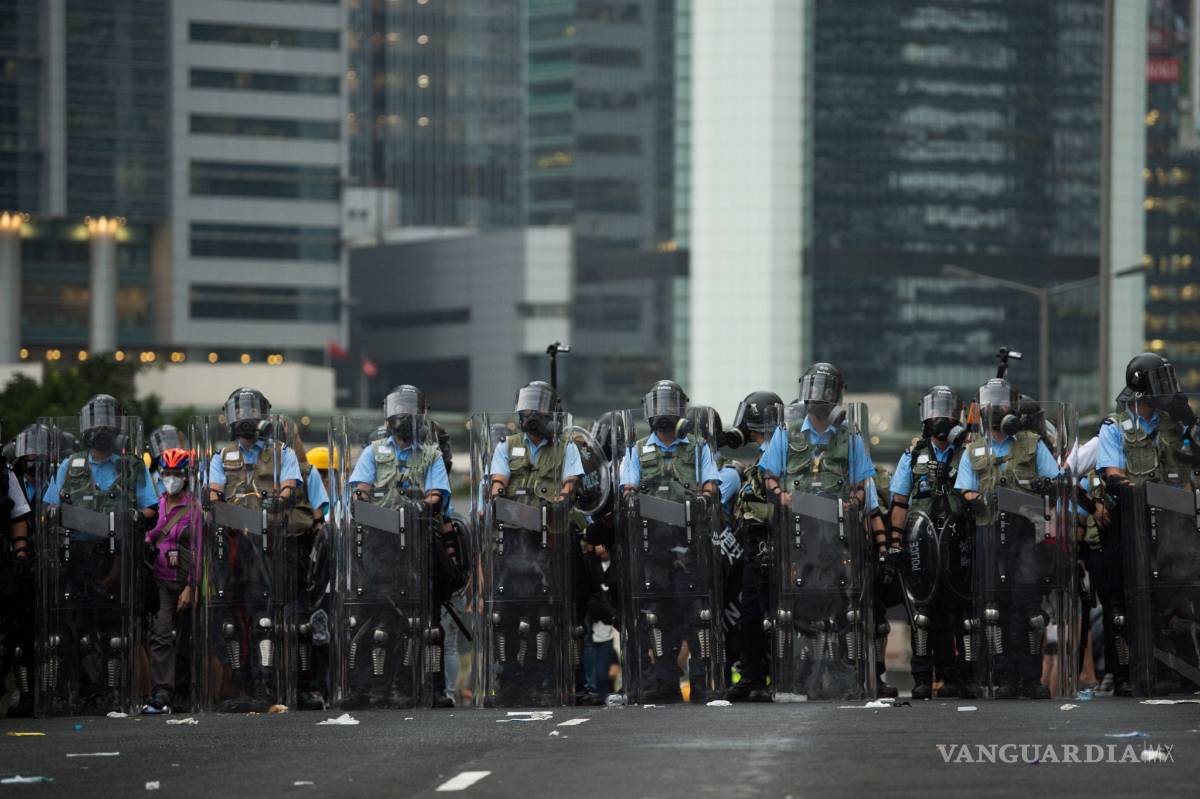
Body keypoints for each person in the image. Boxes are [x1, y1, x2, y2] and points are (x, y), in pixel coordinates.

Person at [759, 364, 891, 698]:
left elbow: (862, 484)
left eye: (825, 389)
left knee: (843, 605)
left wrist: (853, 503)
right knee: (801, 604)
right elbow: (768, 476)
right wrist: (784, 497)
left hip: (839, 533)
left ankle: (846, 678)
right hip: (798, 533)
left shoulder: (849, 436)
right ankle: (803, 679)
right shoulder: (786, 432)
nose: (817, 396)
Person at [42, 395, 158, 714]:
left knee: (115, 634)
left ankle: (115, 693)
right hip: (79, 557)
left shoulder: (131, 465)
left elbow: (152, 509)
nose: (101, 427)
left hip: (118, 556)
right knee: (78, 631)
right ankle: (86, 693)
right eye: (95, 420)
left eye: (107, 420)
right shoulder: (70, 464)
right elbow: (50, 507)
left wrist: (135, 517)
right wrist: (57, 514)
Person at [1096, 352, 1200, 695]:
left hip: (1176, 527)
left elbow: (1189, 470)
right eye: (1161, 382)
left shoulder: (1174, 424)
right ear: (1142, 388)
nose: (1168, 389)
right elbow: (1112, 475)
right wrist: (1145, 495)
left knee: (1182, 600)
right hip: (1135, 525)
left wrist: (1191, 422)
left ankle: (1185, 672)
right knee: (1133, 603)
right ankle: (1134, 674)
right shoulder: (1114, 428)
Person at [346, 384, 454, 708]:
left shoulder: (432, 454)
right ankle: (369, 686)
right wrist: (362, 501)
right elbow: (360, 489)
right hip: (380, 544)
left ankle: (425, 688)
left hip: (419, 542)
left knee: (424, 622)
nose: (401, 415)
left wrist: (422, 506)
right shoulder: (374, 451)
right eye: (397, 409)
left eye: (408, 409)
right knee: (374, 618)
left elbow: (437, 494)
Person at [955, 378, 1061, 700]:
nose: (997, 409)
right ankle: (1003, 677)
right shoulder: (973, 450)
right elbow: (965, 488)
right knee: (994, 611)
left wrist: (1047, 488)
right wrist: (976, 499)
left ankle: (1031, 678)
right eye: (992, 403)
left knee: (1028, 609)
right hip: (990, 533)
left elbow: (1055, 480)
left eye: (1003, 403)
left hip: (1026, 534)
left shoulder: (1031, 442)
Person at [620, 379, 721, 703]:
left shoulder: (698, 447)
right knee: (656, 616)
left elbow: (711, 485)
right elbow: (628, 491)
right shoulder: (636, 449)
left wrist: (701, 500)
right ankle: (663, 682)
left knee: (697, 614)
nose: (664, 414)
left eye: (671, 407)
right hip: (653, 546)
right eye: (659, 407)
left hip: (691, 544)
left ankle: (703, 681)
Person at [485, 380, 583, 706]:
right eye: (528, 406)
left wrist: (561, 502)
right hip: (514, 536)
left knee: (546, 613)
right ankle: (509, 681)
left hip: (550, 537)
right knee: (507, 613)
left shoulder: (566, 446)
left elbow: (571, 483)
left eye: (538, 406)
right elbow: (498, 481)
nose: (532, 413)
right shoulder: (507, 444)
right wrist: (498, 498)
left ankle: (545, 682)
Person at [205, 387, 301, 713]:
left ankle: (265, 685)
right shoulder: (221, 457)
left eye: (252, 411)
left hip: (269, 542)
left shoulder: (281, 453)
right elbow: (213, 495)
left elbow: (290, 487)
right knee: (232, 620)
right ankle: (240, 685)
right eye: (239, 411)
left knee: (264, 621)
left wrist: (280, 498)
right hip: (233, 545)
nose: (246, 417)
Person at [889, 386, 971, 699]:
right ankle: (923, 677)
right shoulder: (913, 454)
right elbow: (899, 501)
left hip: (958, 539)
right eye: (936, 410)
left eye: (947, 410)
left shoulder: (966, 452)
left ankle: (961, 676)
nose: (941, 416)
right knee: (923, 614)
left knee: (962, 612)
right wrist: (895, 544)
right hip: (921, 543)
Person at [722, 390, 783, 703]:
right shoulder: (764, 453)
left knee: (770, 612)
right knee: (750, 614)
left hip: (772, 542)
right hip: (752, 543)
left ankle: (774, 676)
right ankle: (752, 677)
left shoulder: (779, 450)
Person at [142, 448, 201, 715]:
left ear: (186, 477)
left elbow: (201, 550)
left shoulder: (195, 508)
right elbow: (149, 536)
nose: (170, 478)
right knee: (161, 635)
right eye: (166, 473)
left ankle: (187, 691)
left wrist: (192, 585)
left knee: (188, 638)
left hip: (186, 581)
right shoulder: (157, 504)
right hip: (161, 581)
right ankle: (162, 692)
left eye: (176, 474)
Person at [0, 423, 35, 717]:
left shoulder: (3, 471)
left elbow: (19, 513)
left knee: (9, 631)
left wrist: (21, 551)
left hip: (2, 561)